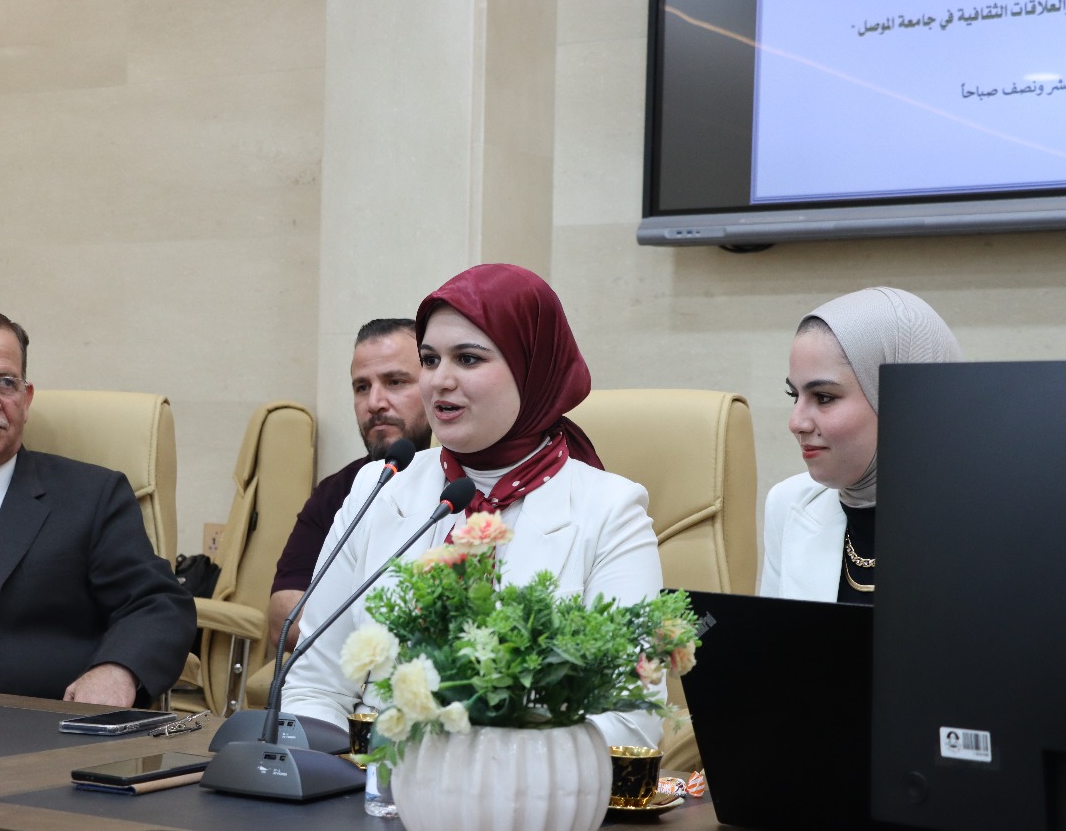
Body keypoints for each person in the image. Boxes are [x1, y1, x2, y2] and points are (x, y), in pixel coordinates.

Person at [280, 264, 665, 748]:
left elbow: (631, 720)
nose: (439, 381)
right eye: (429, 359)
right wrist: (347, 775)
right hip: (373, 780)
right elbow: (314, 687)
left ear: (531, 368)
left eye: (467, 358)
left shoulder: (611, 510)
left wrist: (467, 772)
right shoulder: (379, 488)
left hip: (528, 789)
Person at [0, 307, 195, 706]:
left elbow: (158, 604)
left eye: (6, 383)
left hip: (28, 722)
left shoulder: (91, 496)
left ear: (26, 399)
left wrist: (117, 669)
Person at [760, 287, 962, 603]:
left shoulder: (991, 521)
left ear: (905, 399)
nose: (796, 423)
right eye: (794, 396)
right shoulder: (786, 505)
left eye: (823, 397)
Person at [268, 319, 433, 652]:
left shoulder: (468, 484)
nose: (374, 402)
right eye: (362, 387)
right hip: (346, 674)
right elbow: (284, 618)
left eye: (395, 382)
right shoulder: (338, 490)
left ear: (436, 384)